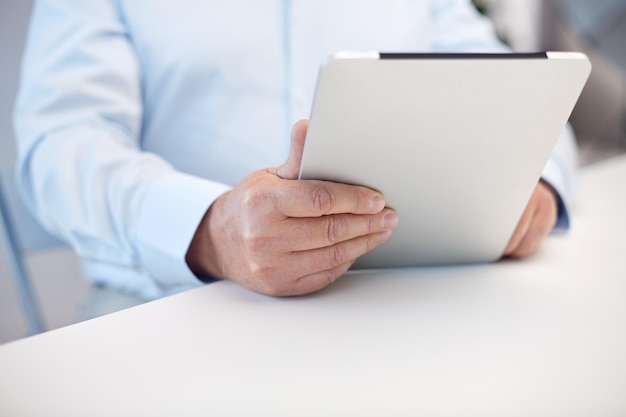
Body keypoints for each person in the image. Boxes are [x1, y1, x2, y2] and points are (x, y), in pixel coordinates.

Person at [14, 0, 579, 304]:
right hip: (177, 313)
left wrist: (535, 183)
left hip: (396, 304)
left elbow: (517, 85)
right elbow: (57, 146)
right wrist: (211, 233)